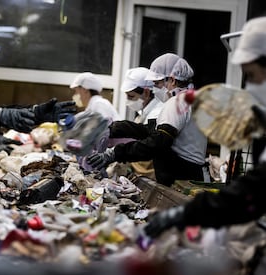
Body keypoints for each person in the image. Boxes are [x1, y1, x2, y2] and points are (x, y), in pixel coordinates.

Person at [143, 16, 266, 239]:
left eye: (252, 75)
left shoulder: (180, 103)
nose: (248, 87)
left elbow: (253, 190)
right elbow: (252, 190)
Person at [87, 56, 209, 186]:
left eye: (157, 83)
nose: (155, 89)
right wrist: (112, 128)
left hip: (184, 178)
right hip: (192, 175)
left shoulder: (177, 103)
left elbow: (157, 143)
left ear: (172, 80)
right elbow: (150, 131)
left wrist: (115, 153)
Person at [113, 67, 163, 179]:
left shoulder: (156, 114)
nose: (127, 101)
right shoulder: (143, 114)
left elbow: (147, 147)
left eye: (131, 96)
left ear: (146, 92)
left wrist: (116, 154)